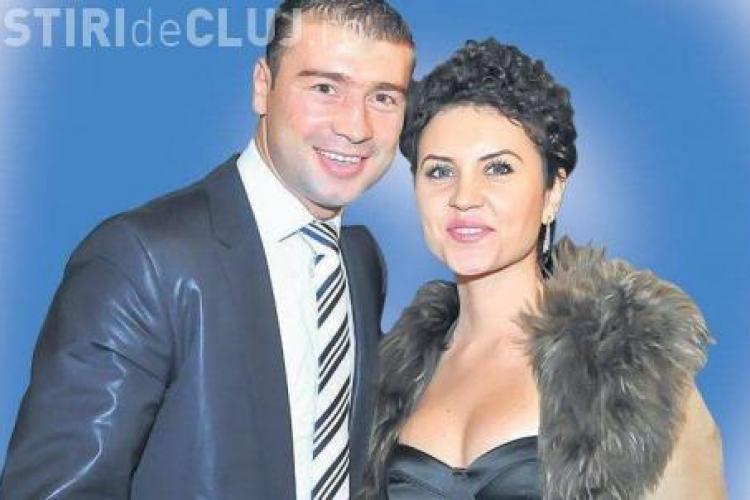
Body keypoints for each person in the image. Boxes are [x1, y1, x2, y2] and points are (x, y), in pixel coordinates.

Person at [0, 1, 414, 498]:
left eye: (383, 97)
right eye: (325, 88)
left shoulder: (360, 262)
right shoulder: (142, 260)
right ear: (262, 86)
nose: (356, 126)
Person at [361, 39, 726, 499]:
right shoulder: (383, 379)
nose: (464, 197)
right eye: (439, 171)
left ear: (552, 193)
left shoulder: (632, 373)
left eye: (498, 169)